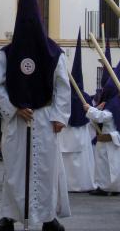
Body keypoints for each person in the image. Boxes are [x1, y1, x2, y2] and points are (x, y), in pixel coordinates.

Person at [0, 0, 71, 231]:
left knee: (46, 170)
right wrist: (13, 108)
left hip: (44, 118)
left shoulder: (53, 53)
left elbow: (62, 85)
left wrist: (58, 114)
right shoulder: (5, 55)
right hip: (17, 122)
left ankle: (47, 217)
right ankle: (9, 216)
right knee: (14, 170)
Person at [59, 28, 96, 192]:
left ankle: (65, 185)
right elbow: (90, 117)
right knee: (80, 162)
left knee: (66, 161)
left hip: (65, 133)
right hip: (80, 134)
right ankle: (82, 184)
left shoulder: (63, 96)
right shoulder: (85, 97)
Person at [84, 60, 120, 196]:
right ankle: (106, 187)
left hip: (111, 140)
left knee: (110, 166)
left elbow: (104, 117)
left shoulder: (115, 103)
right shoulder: (113, 102)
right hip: (108, 140)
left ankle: (109, 187)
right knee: (104, 165)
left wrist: (90, 109)